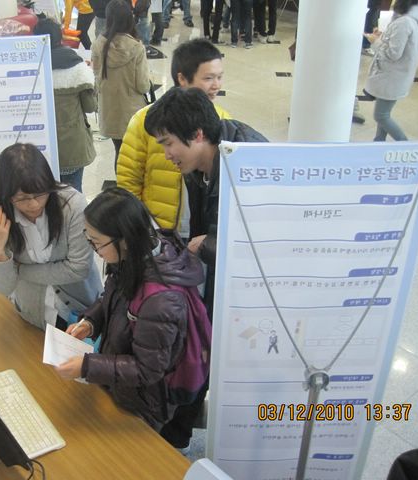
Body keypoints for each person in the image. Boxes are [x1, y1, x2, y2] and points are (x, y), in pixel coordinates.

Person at [144, 86, 267, 450]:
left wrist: (208, 245)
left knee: (214, 355)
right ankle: (175, 433)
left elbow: (264, 245)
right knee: (200, 348)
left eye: (168, 143)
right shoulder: (200, 162)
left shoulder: (249, 164)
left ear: (197, 134)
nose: (166, 154)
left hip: (254, 297)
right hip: (218, 279)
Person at [54, 187, 205, 432]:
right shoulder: (133, 256)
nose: (94, 249)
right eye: (88, 239)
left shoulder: (162, 300)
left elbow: (147, 369)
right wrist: (90, 322)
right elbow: (111, 297)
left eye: (96, 242)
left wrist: (87, 366)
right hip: (119, 384)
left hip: (144, 402)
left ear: (124, 238)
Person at [0, 143, 102, 331]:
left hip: (81, 311)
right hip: (32, 313)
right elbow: (3, 288)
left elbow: (78, 269)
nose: (33, 204)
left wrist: (19, 270)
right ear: (6, 195)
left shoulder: (72, 205)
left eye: (40, 193)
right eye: (22, 198)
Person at [117, 39, 229, 235]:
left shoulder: (223, 121)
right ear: (182, 79)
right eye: (208, 78)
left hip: (201, 231)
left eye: (219, 77)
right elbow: (129, 180)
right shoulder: (147, 121)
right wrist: (141, 226)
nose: (216, 85)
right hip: (160, 228)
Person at [33, 18, 96, 192]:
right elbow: (90, 106)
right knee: (73, 195)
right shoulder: (77, 67)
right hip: (72, 145)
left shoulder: (31, 68)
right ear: (60, 37)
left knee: (47, 195)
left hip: (40, 148)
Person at [92, 0, 150, 170]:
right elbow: (142, 85)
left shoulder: (98, 45)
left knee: (119, 151)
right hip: (131, 111)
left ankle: (121, 183)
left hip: (109, 109)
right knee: (134, 155)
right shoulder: (136, 47)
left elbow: (97, 77)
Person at [364, 0, 418, 142]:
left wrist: (375, 41)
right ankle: (379, 142)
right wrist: (381, 37)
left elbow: (393, 54)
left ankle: (405, 145)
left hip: (391, 76)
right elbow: (402, 46)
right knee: (385, 113)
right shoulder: (417, 19)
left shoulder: (404, 22)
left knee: (381, 116)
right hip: (400, 76)